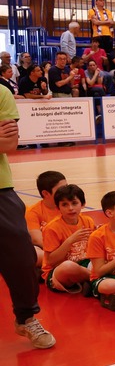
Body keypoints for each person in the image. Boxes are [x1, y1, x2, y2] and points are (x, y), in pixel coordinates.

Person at [0, 89, 55, 346]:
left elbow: (8, 144)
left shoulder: (1, 93)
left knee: (22, 259)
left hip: (1, 189)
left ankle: (26, 318)